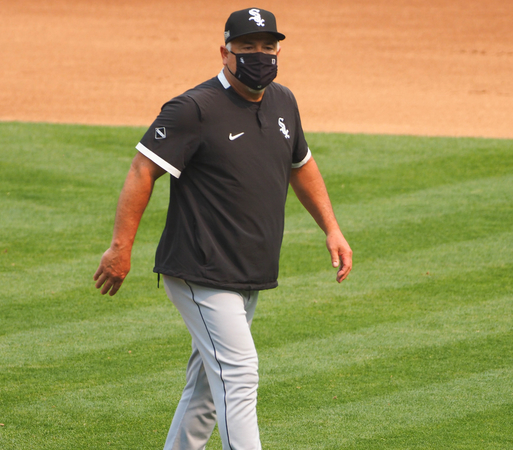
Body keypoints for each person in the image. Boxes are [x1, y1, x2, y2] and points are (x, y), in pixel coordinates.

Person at [94, 8, 352, 450]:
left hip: (247, 270)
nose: (259, 56)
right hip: (200, 269)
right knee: (239, 371)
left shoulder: (283, 101)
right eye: (247, 48)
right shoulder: (194, 108)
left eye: (268, 47)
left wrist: (332, 227)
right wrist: (121, 248)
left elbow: (301, 165)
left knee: (207, 390)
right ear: (225, 52)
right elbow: (142, 170)